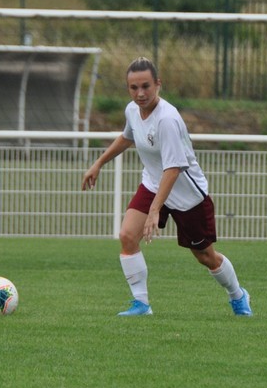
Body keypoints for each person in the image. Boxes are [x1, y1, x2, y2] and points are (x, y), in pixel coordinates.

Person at [82, 56, 252, 317]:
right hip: (152, 184)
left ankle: (238, 295)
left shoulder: (167, 120)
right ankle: (141, 304)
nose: (140, 93)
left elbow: (173, 169)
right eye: (134, 87)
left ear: (158, 84)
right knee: (128, 236)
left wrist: (154, 211)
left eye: (145, 86)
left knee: (205, 256)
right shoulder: (131, 110)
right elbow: (127, 137)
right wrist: (99, 163)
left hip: (187, 196)